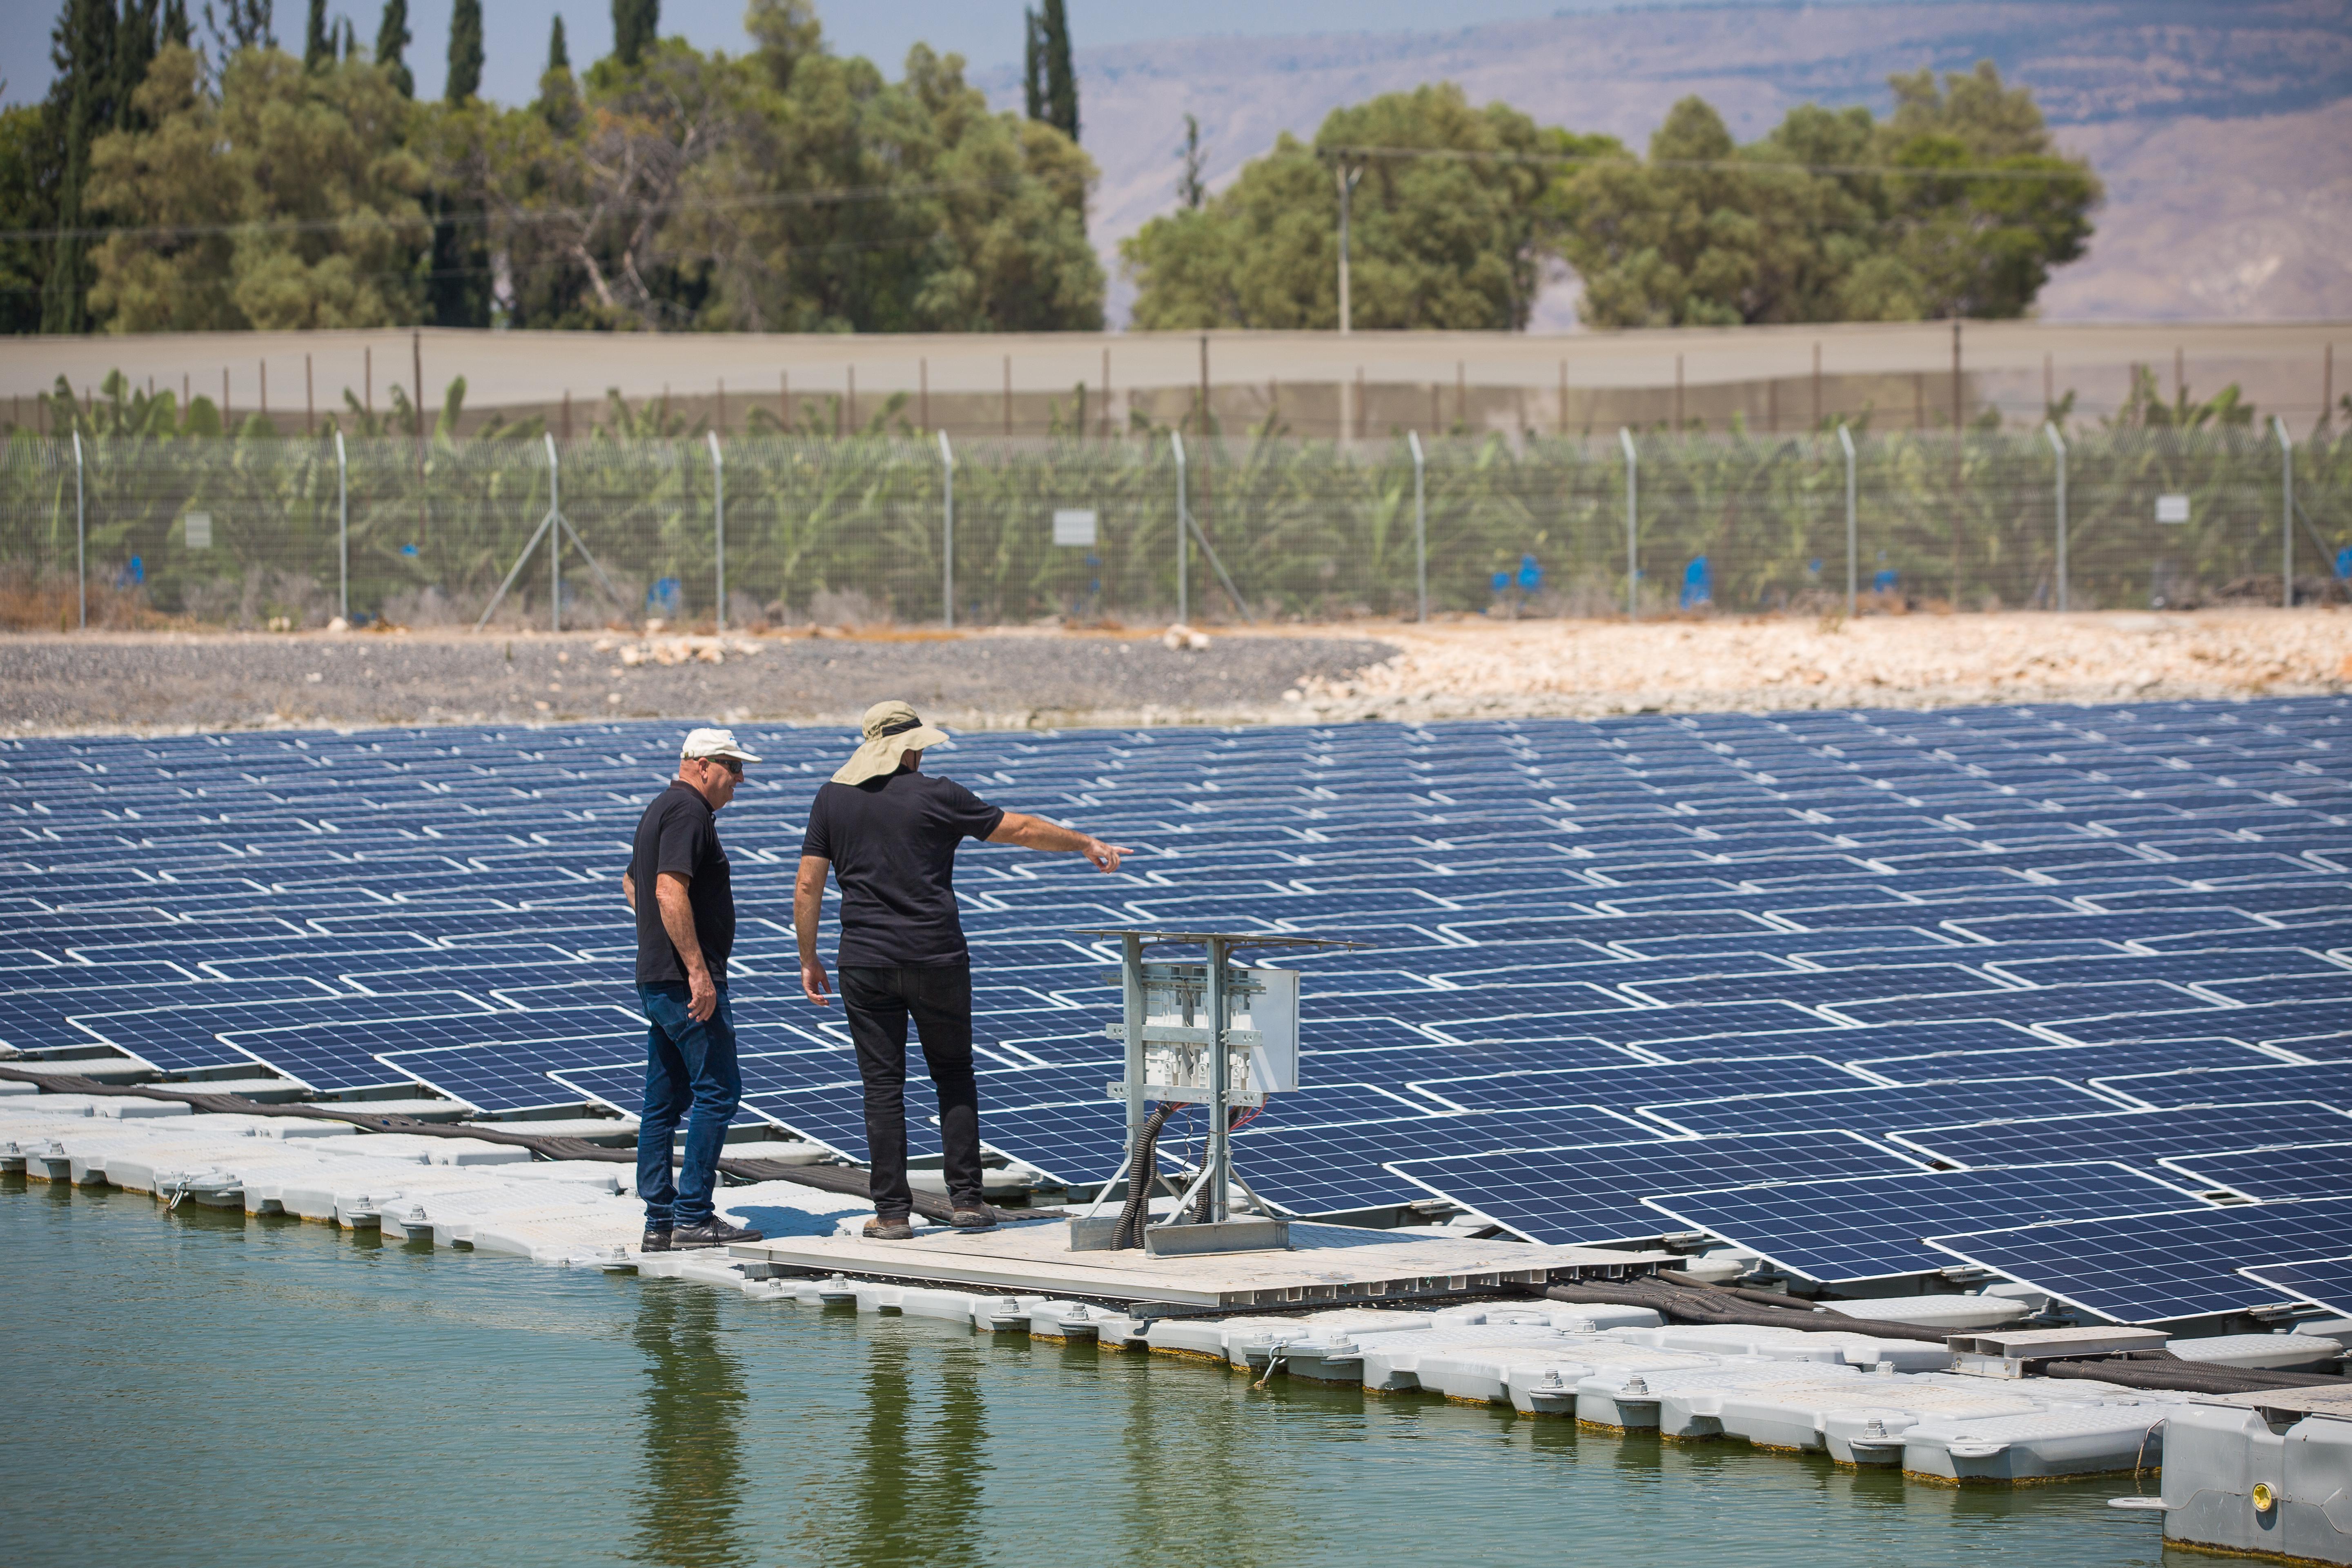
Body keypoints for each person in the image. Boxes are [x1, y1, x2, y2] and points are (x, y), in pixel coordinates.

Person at [797, 699, 1131, 1241]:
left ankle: (891, 1215)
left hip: (865, 961)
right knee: (952, 1076)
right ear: (909, 749)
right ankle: (968, 1204)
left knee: (883, 1087)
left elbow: (809, 884)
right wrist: (1085, 843)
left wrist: (808, 957)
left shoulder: (833, 799)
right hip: (936, 958)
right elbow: (1020, 829)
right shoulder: (938, 795)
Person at [623, 727, 766, 1253]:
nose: (740, 779)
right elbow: (665, 888)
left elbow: (632, 882)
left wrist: (656, 940)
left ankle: (659, 1221)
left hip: (657, 978)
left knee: (664, 1098)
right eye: (733, 767)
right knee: (719, 1091)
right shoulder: (688, 813)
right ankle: (692, 1216)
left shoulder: (661, 807)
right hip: (685, 982)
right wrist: (697, 970)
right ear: (703, 766)